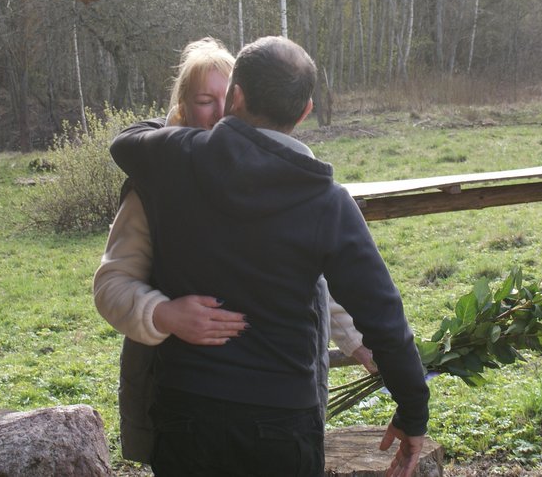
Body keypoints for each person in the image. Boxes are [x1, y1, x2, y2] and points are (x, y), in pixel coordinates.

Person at [109, 36, 429, 477]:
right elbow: (385, 318)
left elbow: (125, 142)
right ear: (305, 111)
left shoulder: (176, 160)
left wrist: (180, 123)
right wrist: (412, 412)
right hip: (281, 424)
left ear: (235, 96)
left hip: (185, 415)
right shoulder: (326, 201)